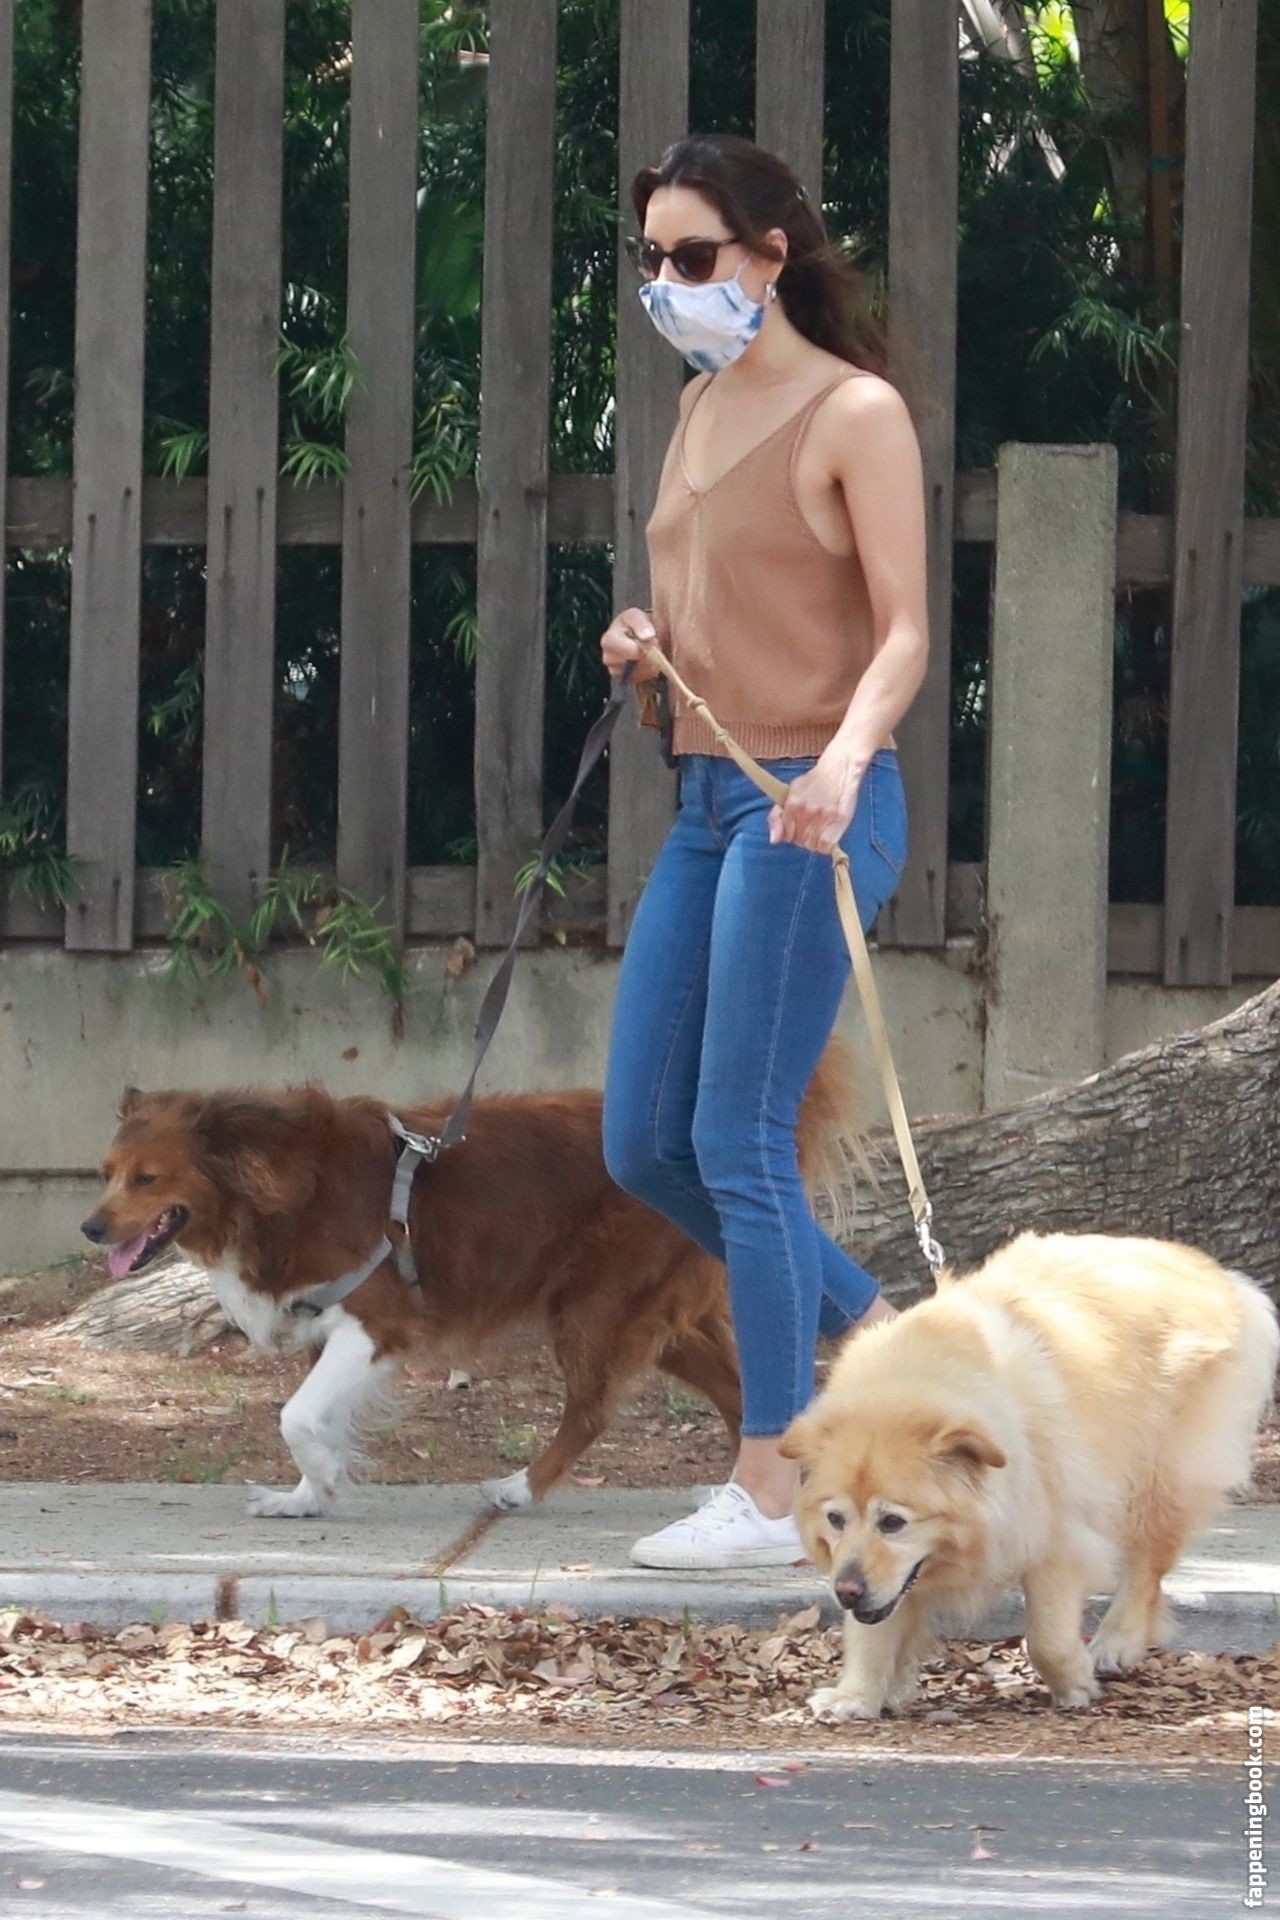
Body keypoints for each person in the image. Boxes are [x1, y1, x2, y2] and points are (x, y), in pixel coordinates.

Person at [599, 133, 929, 1571]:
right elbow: (709, 602)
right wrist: (643, 637)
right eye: (651, 259)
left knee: (738, 1135)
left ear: (772, 256)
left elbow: (905, 630)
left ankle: (776, 1482)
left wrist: (844, 764)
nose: (667, 282)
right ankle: (883, 1333)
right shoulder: (694, 407)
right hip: (709, 798)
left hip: (815, 799)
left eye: (694, 256)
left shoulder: (855, 413)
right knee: (642, 1140)